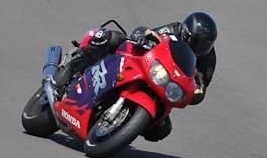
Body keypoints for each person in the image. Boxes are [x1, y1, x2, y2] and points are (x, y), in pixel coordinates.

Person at [52, 11, 217, 142]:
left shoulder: (208, 60)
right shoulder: (174, 30)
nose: (198, 47)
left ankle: (122, 125)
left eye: (204, 45)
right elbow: (151, 34)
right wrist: (143, 34)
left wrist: (196, 92)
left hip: (164, 85)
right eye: (194, 41)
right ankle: (69, 70)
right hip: (149, 66)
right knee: (111, 38)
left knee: (161, 130)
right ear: (185, 31)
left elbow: (201, 88)